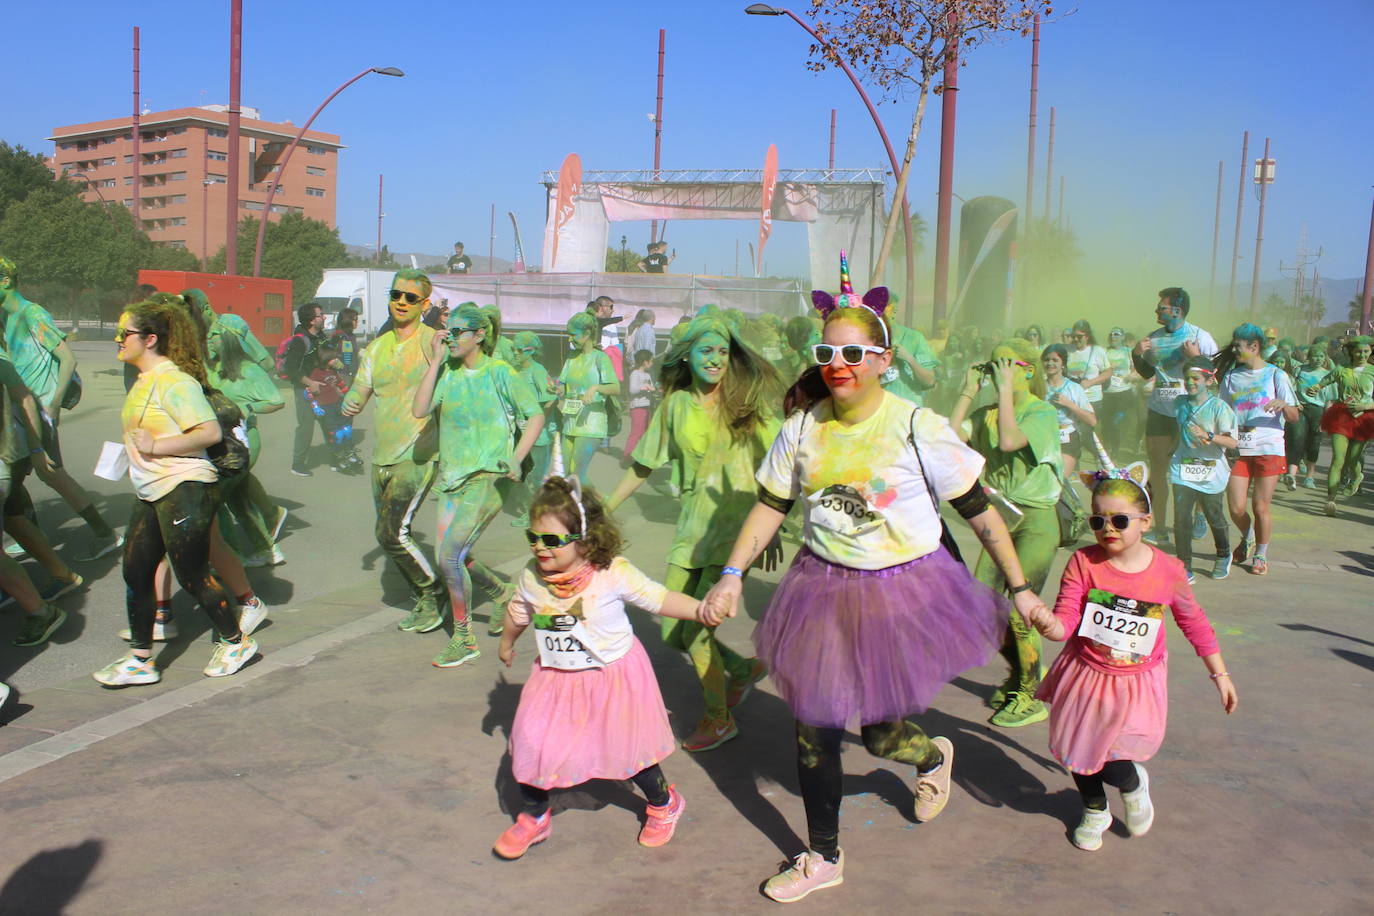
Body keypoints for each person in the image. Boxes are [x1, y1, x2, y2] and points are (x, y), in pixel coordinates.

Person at [701, 278, 1047, 903]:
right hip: (820, 590)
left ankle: (930, 757)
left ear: (884, 361)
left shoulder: (919, 427)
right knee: (814, 728)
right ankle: (822, 855)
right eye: (827, 353)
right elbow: (770, 507)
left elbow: (981, 515)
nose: (838, 366)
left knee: (883, 733)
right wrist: (731, 574)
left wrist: (1019, 589)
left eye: (854, 354)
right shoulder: (803, 429)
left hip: (902, 592)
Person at [492, 473, 725, 860]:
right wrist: (506, 640)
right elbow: (519, 611)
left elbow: (658, 598)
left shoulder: (611, 572)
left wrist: (700, 609)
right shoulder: (532, 577)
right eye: (532, 538)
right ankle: (534, 817)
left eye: (552, 540)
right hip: (554, 679)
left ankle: (663, 803)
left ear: (585, 537)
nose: (540, 548)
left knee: (627, 753)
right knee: (532, 744)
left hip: (611, 679)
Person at [1026, 471, 1238, 851]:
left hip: (1137, 681)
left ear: (1146, 521)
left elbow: (1194, 622)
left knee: (1116, 756)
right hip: (1086, 672)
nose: (1108, 528)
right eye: (1098, 520)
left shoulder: (1168, 571)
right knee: (1079, 750)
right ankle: (1094, 810)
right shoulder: (1084, 562)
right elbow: (1066, 621)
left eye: (1120, 520)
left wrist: (1219, 674)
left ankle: (1132, 784)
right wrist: (1049, 624)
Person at [605, 314, 783, 752]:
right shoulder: (676, 405)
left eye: (723, 352)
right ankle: (740, 671)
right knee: (672, 631)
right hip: (692, 528)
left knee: (699, 629)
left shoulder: (746, 406)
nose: (717, 359)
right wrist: (601, 510)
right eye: (707, 350)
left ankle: (719, 719)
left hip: (736, 529)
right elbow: (644, 466)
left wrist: (772, 528)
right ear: (688, 355)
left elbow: (780, 466)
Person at [93, 299, 259, 686]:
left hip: (184, 486)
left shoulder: (174, 381)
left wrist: (154, 446)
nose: (118, 340)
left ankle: (235, 641)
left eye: (125, 334)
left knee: (192, 574)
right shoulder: (142, 380)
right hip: (151, 488)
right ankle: (140, 660)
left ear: (150, 339)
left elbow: (208, 433)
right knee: (135, 570)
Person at [412, 304, 544, 667]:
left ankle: (464, 638)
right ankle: (502, 592)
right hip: (452, 478)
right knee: (453, 558)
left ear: (479, 335)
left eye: (457, 332)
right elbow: (420, 409)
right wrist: (436, 361)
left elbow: (535, 414)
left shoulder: (500, 372)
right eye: (447, 332)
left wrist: (516, 457)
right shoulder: (450, 373)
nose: (449, 338)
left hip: (489, 477)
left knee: (448, 556)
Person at [949, 338, 1061, 728]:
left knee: (1018, 606)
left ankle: (1031, 696)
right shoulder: (989, 413)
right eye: (993, 365)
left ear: (1028, 370)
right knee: (983, 609)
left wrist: (1005, 395)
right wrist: (968, 391)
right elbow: (946, 442)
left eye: (1006, 365)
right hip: (1001, 522)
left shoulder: (1041, 412)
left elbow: (1010, 441)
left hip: (1036, 520)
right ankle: (1021, 674)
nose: (998, 372)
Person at [341, 269, 445, 633]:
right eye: (396, 295)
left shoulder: (433, 341)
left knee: (391, 534)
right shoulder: (377, 346)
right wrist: (351, 402)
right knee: (389, 533)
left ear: (424, 304)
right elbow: (361, 387)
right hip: (381, 455)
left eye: (410, 298)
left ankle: (433, 595)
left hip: (418, 453)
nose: (401, 302)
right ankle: (425, 596)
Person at [0, 256, 121, 561]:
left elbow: (68, 359)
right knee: (20, 473)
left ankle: (104, 533)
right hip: (22, 409)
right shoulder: (8, 317)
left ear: (5, 282)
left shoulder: (31, 314)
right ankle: (30, 534)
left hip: (37, 410)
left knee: (49, 473)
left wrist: (52, 405)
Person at [0, 348, 79, 649]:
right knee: (15, 521)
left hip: (7, 461)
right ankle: (54, 583)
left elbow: (25, 399)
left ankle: (42, 609)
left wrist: (35, 449)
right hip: (7, 462)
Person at [1131, 287, 1218, 542]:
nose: (1157, 311)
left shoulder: (1200, 336)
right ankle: (1159, 529)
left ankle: (1198, 515)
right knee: (1158, 472)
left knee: (1194, 467)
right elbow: (1147, 373)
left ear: (1177, 311)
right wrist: (1136, 353)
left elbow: (1215, 376)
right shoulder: (1153, 337)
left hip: (1191, 411)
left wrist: (1197, 357)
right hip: (1160, 411)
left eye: (1162, 307)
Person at [1217, 323, 1299, 576]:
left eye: (1238, 346)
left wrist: (1284, 404)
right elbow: (1222, 412)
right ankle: (1248, 535)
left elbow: (1295, 416)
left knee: (1261, 506)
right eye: (1233, 345)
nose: (1234, 350)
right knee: (1236, 507)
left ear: (1254, 347)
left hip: (1269, 447)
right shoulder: (1231, 377)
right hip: (1241, 448)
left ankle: (1261, 554)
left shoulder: (1276, 375)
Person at [207, 327, 285, 567]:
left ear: (228, 339)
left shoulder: (250, 370)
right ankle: (266, 549)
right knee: (238, 497)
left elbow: (276, 400)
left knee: (215, 497)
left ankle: (229, 556)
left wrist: (248, 408)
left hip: (244, 440)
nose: (209, 339)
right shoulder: (213, 368)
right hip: (220, 441)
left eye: (214, 335)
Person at [1168, 357, 1237, 581]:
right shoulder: (1179, 403)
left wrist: (1209, 435)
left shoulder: (1219, 407)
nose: (1189, 383)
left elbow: (1232, 442)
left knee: (1214, 516)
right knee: (1181, 518)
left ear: (1209, 380)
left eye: (1195, 378)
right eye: (1186, 378)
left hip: (1211, 471)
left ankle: (1223, 554)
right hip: (1183, 468)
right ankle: (1184, 566)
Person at [1313, 335, 1374, 516]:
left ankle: (1357, 475)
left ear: (1370, 351)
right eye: (1358, 351)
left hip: (1365, 418)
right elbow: (1322, 383)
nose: (1361, 354)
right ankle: (1331, 500)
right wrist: (1314, 388)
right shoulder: (1341, 370)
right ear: (1351, 351)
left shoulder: (1373, 371)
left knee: (1351, 460)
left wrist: (1366, 406)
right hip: (1341, 417)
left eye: (1366, 351)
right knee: (1338, 459)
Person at [555, 313, 618, 482]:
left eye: (573, 334)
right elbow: (562, 382)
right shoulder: (571, 358)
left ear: (587, 334)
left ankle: (594, 505)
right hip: (569, 421)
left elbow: (616, 388)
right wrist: (558, 388)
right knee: (565, 471)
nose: (570, 339)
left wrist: (596, 387)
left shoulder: (600, 358)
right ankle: (594, 504)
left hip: (591, 423)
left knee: (576, 471)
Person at [507, 331, 557, 522]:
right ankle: (530, 510)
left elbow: (550, 400)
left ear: (531, 351)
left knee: (535, 478)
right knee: (521, 476)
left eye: (519, 350)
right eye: (513, 349)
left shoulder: (538, 371)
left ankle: (536, 515)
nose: (515, 354)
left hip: (538, 435)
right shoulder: (515, 371)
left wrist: (536, 424)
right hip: (518, 433)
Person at [1042, 343, 1097, 482]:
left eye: (1055, 360)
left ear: (1063, 364)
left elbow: (1092, 420)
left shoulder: (1074, 388)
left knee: (1059, 480)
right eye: (1047, 360)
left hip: (1068, 439)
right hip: (1044, 439)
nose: (1050, 363)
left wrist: (1070, 405)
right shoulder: (1038, 388)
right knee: (1045, 482)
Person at [282, 301, 325, 477]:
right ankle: (298, 464)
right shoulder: (300, 341)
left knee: (331, 422)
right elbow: (290, 369)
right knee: (306, 426)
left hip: (323, 388)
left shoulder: (320, 337)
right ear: (311, 320)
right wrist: (310, 383)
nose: (324, 317)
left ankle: (338, 457)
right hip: (304, 390)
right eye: (320, 315)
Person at [1285, 336, 1333, 490]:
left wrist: (1326, 419)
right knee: (1296, 438)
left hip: (1317, 411)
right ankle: (1291, 474)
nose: (1318, 359)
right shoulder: (1299, 370)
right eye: (1315, 356)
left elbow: (1329, 400)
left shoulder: (1327, 374)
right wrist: (1295, 403)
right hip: (1300, 408)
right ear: (1308, 357)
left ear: (1324, 357)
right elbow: (1290, 389)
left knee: (1314, 444)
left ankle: (1309, 477)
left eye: (1321, 356)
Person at [1065, 320, 1112, 453]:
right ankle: (1074, 467)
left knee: (1084, 434)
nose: (1075, 339)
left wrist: (1090, 383)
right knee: (1073, 434)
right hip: (1072, 399)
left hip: (1092, 399)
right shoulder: (1067, 350)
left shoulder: (1097, 351)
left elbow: (1108, 372)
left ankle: (1101, 458)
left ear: (1087, 336)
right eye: (1073, 336)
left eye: (1079, 336)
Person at [1101, 327, 1137, 459]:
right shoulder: (1104, 351)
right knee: (1106, 424)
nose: (1113, 337)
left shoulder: (1129, 352)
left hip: (1123, 393)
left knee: (1116, 423)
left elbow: (1136, 370)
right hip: (1107, 393)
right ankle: (1105, 449)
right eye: (1111, 334)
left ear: (1123, 337)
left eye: (1117, 334)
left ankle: (1115, 451)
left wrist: (1131, 376)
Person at [622, 349, 657, 461]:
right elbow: (632, 390)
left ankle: (640, 456)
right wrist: (644, 387)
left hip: (647, 406)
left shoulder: (647, 374)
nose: (652, 363)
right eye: (650, 361)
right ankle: (627, 456)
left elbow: (651, 388)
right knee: (636, 432)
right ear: (644, 362)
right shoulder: (635, 373)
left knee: (645, 433)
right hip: (637, 407)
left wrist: (653, 390)